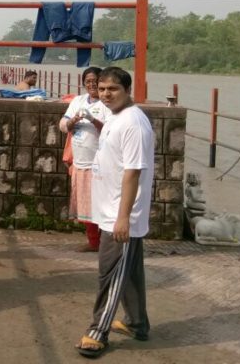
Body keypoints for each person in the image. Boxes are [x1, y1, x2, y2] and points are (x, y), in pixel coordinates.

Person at [76, 67, 155, 359]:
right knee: (129, 273)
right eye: (103, 88)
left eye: (113, 89)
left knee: (109, 274)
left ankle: (98, 331)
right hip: (110, 209)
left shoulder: (133, 123)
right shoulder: (114, 116)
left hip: (121, 215)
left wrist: (123, 217)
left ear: (127, 90)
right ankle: (137, 323)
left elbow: (133, 172)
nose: (106, 94)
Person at [59, 67, 110, 252]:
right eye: (88, 81)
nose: (92, 84)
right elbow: (63, 125)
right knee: (84, 204)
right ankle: (93, 241)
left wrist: (93, 120)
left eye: (95, 81)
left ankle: (105, 241)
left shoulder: (106, 104)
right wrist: (73, 121)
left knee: (100, 204)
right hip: (79, 162)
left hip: (98, 164)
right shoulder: (78, 101)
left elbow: (112, 131)